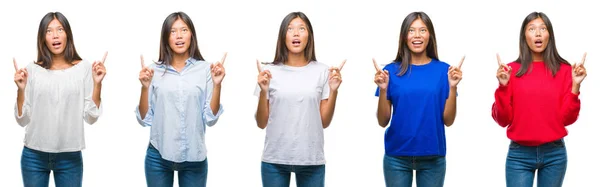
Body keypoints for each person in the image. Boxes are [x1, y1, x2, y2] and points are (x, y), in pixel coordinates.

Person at [492, 12, 587, 187]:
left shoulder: (565, 70)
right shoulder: (510, 70)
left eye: (543, 29)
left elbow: (567, 119)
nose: (538, 33)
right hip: (519, 154)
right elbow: (502, 119)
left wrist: (575, 86)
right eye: (532, 29)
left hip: (555, 154)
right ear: (524, 36)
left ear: (549, 35)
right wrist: (503, 86)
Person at [14, 12, 107, 187]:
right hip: (33, 156)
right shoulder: (32, 70)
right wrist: (20, 90)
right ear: (42, 38)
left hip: (69, 157)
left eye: (60, 29)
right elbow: (22, 119)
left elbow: (91, 117)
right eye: (49, 31)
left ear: (68, 34)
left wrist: (97, 84)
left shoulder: (84, 68)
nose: (55, 35)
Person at [254, 11, 345, 187]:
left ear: (309, 36)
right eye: (290, 29)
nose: (296, 33)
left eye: (301, 29)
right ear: (283, 36)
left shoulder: (323, 71)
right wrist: (263, 91)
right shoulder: (269, 72)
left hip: (311, 159)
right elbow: (260, 122)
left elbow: (324, 122)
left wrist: (334, 91)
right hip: (275, 159)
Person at [373, 11, 463, 187]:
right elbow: (383, 121)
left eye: (422, 30)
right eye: (411, 30)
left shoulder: (444, 71)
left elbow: (449, 120)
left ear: (430, 35)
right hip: (397, 157)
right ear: (404, 36)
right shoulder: (390, 72)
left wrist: (453, 86)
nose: (417, 35)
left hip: (433, 157)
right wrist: (383, 90)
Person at [135, 11, 225, 187]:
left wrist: (218, 85)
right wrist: (144, 88)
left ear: (192, 34)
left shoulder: (206, 70)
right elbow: (144, 119)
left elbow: (210, 118)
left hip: (194, 156)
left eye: (184, 30)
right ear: (166, 37)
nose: (179, 36)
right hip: (158, 156)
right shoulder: (154, 70)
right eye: (173, 31)